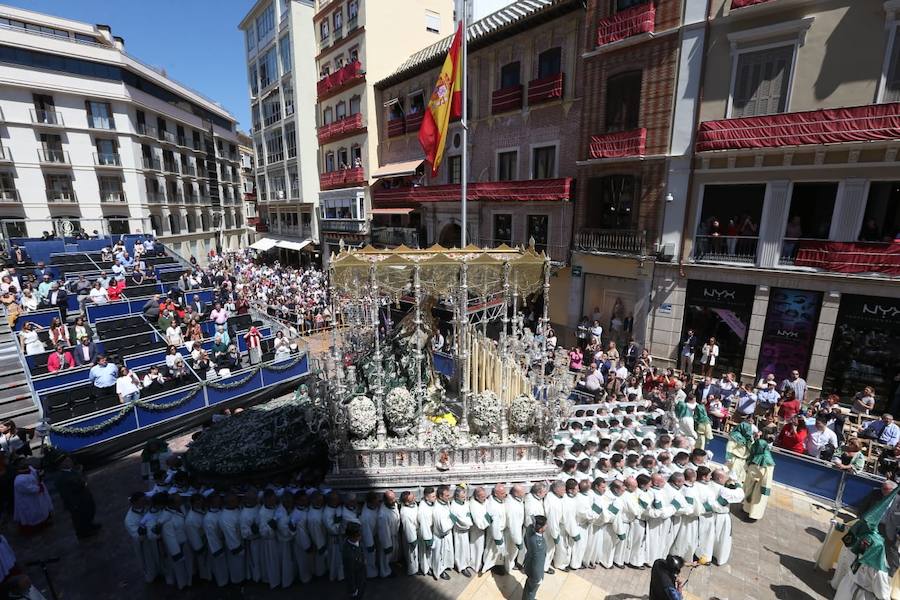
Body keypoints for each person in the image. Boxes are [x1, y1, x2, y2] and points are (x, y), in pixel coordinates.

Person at [55, 456, 99, 539]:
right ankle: (83, 533)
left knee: (89, 512)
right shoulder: (61, 477)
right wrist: (73, 504)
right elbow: (65, 493)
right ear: (61, 465)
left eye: (69, 460)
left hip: (84, 496)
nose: (70, 462)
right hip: (76, 501)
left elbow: (81, 479)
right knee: (79, 518)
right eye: (67, 461)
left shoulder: (73, 470)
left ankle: (90, 525)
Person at [13, 463, 53, 532]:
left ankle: (44, 522)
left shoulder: (28, 472)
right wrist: (38, 488)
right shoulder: (19, 480)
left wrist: (39, 474)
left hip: (36, 497)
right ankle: (35, 528)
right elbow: (28, 488)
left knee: (40, 509)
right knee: (32, 514)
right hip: (28, 501)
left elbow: (35, 476)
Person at [742, 437, 775, 520]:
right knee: (748, 497)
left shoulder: (768, 460)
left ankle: (753, 516)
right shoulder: (755, 454)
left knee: (756, 501)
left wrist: (765, 488)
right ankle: (746, 510)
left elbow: (767, 476)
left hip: (759, 484)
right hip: (750, 480)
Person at [522, 515, 548, 600]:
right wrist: (538, 578)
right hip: (534, 572)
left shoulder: (530, 529)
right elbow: (538, 564)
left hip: (528, 563)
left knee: (528, 586)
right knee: (531, 590)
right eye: (545, 525)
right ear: (540, 529)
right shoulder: (539, 545)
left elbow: (525, 539)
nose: (546, 526)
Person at [342, 521, 366, 599]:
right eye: (358, 534)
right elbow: (349, 573)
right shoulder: (349, 553)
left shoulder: (358, 543)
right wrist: (353, 589)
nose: (360, 536)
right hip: (356, 581)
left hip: (361, 578)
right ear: (352, 536)